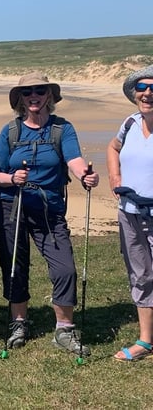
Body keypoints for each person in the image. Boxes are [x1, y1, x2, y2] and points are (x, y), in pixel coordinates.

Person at [0, 73, 98, 356]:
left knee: (65, 268)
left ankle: (64, 329)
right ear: (20, 99)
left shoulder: (62, 129)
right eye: (27, 92)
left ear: (49, 95)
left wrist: (84, 175)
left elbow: (74, 159)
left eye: (40, 90)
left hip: (49, 209)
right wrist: (13, 179)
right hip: (10, 206)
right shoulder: (10, 131)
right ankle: (19, 322)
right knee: (15, 267)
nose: (34, 95)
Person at [107, 65, 153, 361]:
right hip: (129, 211)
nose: (148, 93)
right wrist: (115, 179)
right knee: (141, 274)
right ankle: (146, 341)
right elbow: (113, 148)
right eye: (142, 88)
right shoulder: (130, 122)